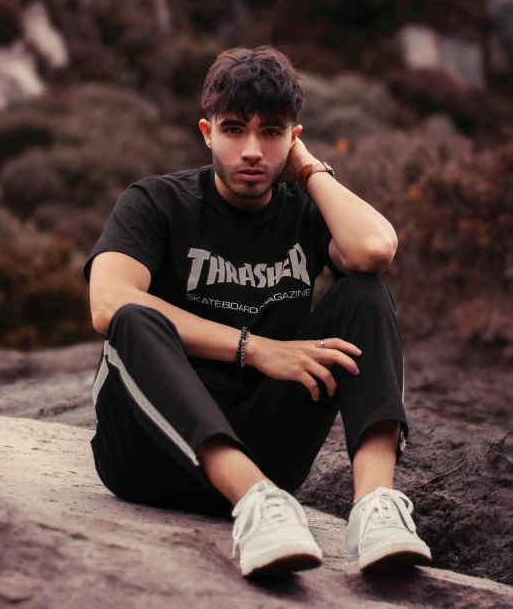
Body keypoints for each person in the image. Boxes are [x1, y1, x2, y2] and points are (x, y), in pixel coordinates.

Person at [83, 45, 432, 579]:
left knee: (363, 293)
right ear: (206, 132)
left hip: (267, 446)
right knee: (134, 317)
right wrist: (256, 349)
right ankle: (256, 504)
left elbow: (374, 251)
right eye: (233, 129)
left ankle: (376, 508)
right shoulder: (156, 202)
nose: (251, 150)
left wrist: (311, 170)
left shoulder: (303, 211)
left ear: (293, 138)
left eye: (270, 132)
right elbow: (107, 303)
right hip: (149, 453)